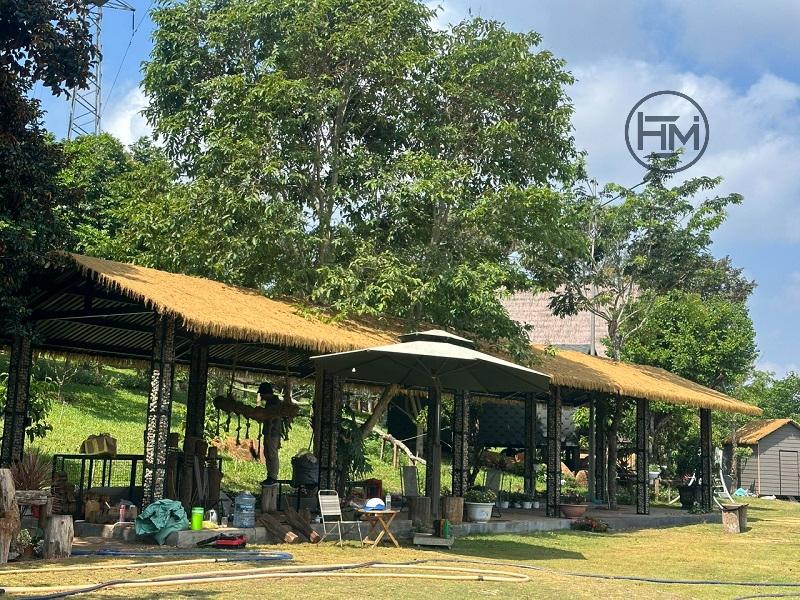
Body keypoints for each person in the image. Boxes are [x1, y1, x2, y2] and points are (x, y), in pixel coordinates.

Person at [258, 382, 282, 485]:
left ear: (266, 393)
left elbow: (274, 416)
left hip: (273, 432)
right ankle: (270, 476)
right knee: (267, 454)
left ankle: (273, 477)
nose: (261, 396)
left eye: (262, 394)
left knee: (272, 454)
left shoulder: (275, 402)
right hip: (268, 432)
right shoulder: (269, 402)